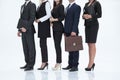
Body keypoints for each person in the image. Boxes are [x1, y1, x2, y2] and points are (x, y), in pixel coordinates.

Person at [17, 0, 36, 71]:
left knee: (31, 47)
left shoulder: (32, 5)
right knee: (25, 47)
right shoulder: (22, 6)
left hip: (29, 29)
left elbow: (32, 18)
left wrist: (26, 27)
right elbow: (21, 18)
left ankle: (31, 65)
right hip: (22, 29)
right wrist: (19, 30)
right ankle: (27, 63)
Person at [82, 0, 102, 71]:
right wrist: (84, 16)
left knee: (92, 43)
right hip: (87, 25)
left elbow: (99, 14)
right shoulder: (86, 4)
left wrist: (90, 16)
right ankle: (91, 62)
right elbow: (84, 13)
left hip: (93, 25)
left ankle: (91, 63)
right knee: (89, 44)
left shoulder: (97, 3)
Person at [62, 0, 81, 72]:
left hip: (73, 31)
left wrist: (74, 30)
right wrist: (64, 30)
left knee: (75, 49)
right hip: (67, 30)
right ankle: (70, 64)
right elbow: (66, 20)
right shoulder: (67, 7)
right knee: (69, 48)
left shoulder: (77, 7)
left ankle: (75, 65)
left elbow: (76, 20)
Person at [35, 0, 51, 70]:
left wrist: (40, 20)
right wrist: (36, 19)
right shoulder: (40, 4)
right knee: (42, 44)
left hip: (44, 25)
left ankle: (44, 62)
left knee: (43, 44)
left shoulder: (47, 3)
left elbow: (48, 15)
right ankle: (45, 61)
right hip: (41, 26)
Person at [50, 0, 65, 70]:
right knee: (56, 45)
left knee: (57, 45)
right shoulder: (54, 7)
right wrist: (51, 22)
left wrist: (54, 20)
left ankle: (59, 62)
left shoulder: (61, 6)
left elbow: (62, 17)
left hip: (59, 28)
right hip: (54, 28)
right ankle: (58, 62)